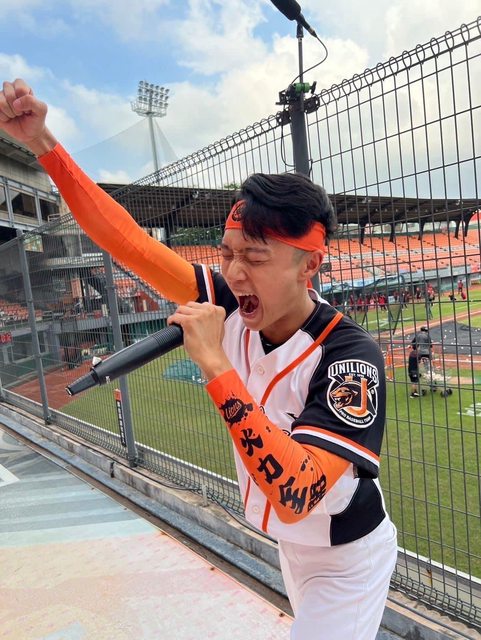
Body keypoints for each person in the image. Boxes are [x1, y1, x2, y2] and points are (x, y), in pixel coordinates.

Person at [0, 79, 397, 640]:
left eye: (255, 257)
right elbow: (127, 242)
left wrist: (215, 365)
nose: (235, 273)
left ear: (309, 265)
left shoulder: (349, 356)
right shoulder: (229, 300)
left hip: (346, 556)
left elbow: (297, 494)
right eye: (228, 254)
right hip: (292, 548)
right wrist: (44, 142)